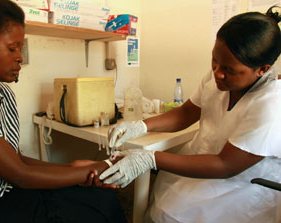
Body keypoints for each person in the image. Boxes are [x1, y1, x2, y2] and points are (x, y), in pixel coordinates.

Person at [100, 6, 281, 223]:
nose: (217, 73)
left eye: (229, 70)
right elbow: (187, 112)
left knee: (173, 215)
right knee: (164, 209)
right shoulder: (218, 75)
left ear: (262, 69)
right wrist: (141, 125)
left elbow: (226, 165)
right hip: (203, 161)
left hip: (242, 182)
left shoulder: (271, 104)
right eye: (214, 61)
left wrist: (151, 158)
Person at [0, 0, 126, 222]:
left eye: (20, 48)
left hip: (9, 192)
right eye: (12, 48)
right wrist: (102, 167)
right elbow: (20, 175)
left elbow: (16, 159)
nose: (20, 57)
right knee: (86, 212)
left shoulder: (3, 94)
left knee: (100, 199)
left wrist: (71, 167)